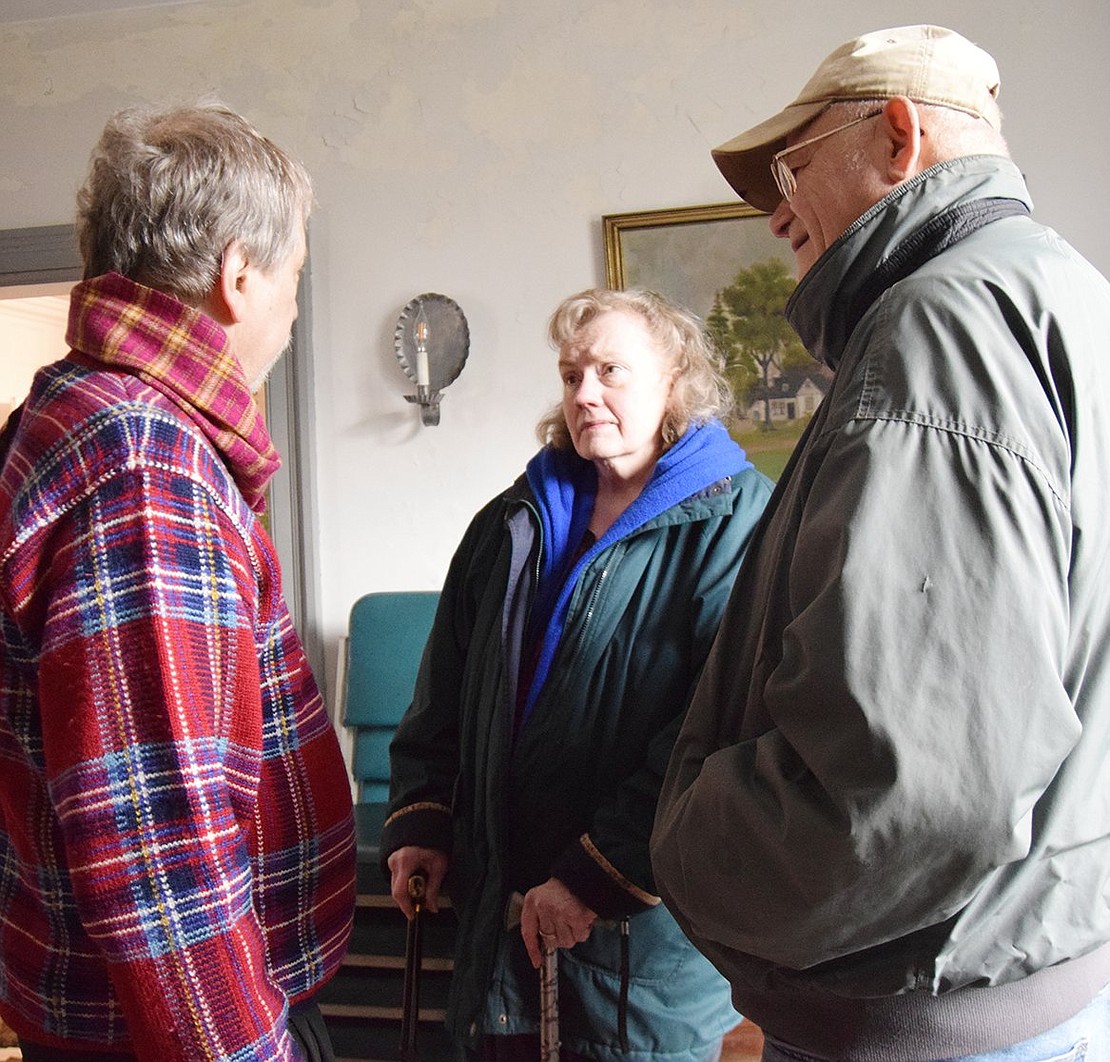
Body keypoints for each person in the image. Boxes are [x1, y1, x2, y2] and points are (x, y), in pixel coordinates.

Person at [651, 23, 1110, 1062]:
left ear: (898, 139)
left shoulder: (938, 328)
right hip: (1043, 972)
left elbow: (919, 783)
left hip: (937, 1016)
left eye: (793, 165)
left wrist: (683, 841)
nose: (775, 212)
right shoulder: (1068, 295)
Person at [0, 103, 356, 1061]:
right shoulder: (146, 460)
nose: (290, 307)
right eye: (294, 276)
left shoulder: (91, 408)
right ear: (239, 277)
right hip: (168, 1035)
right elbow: (156, 850)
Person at [382, 287, 773, 1061]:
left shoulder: (740, 521)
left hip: (637, 941)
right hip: (500, 918)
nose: (584, 394)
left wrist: (596, 877)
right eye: (570, 376)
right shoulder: (510, 519)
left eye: (609, 372)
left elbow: (718, 730)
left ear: (675, 379)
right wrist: (422, 820)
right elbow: (445, 690)